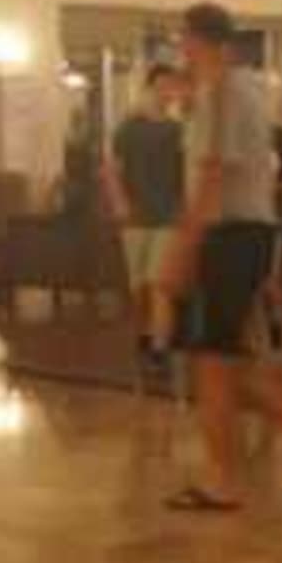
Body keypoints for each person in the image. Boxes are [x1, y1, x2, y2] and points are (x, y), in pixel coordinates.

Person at [159, 3, 282, 511]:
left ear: (195, 40)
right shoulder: (243, 91)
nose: (181, 52)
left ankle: (222, 480)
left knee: (213, 364)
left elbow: (212, 178)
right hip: (247, 235)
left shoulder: (222, 94)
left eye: (183, 41)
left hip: (227, 236)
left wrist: (181, 249)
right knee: (229, 359)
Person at [105, 64, 186, 383]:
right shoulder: (128, 128)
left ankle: (160, 349)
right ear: (149, 88)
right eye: (162, 86)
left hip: (169, 218)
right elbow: (112, 170)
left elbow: (189, 174)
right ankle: (144, 336)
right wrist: (120, 203)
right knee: (138, 289)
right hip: (136, 218)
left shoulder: (179, 130)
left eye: (172, 86)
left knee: (159, 285)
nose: (167, 92)